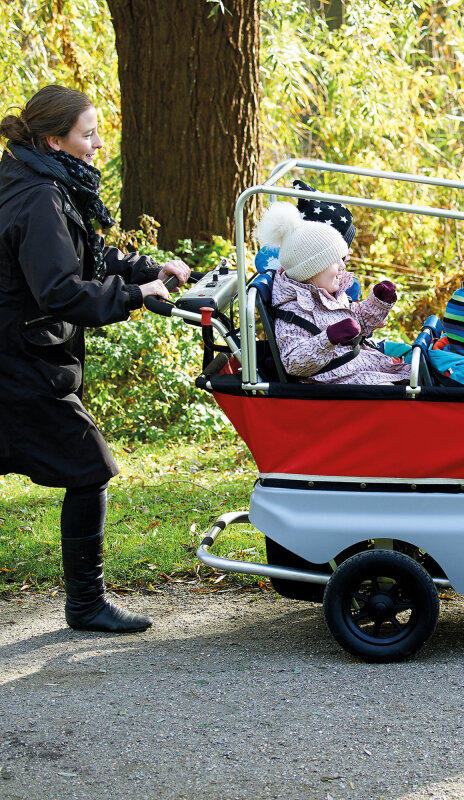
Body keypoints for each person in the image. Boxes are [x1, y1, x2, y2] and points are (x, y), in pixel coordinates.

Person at [0, 85, 191, 633]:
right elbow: (60, 290)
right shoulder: (37, 196)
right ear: (54, 139)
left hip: (26, 353)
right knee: (90, 468)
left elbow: (85, 254)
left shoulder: (40, 181)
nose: (98, 144)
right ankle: (85, 605)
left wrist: (148, 269)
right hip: (20, 363)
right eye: (88, 134)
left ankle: (85, 604)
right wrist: (136, 296)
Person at [255, 201, 411, 385]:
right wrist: (328, 338)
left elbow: (357, 322)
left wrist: (377, 303)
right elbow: (294, 362)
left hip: (355, 368)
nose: (343, 266)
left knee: (418, 372)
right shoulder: (293, 311)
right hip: (335, 383)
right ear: (311, 269)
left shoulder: (328, 294)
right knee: (400, 391)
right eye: (335, 260)